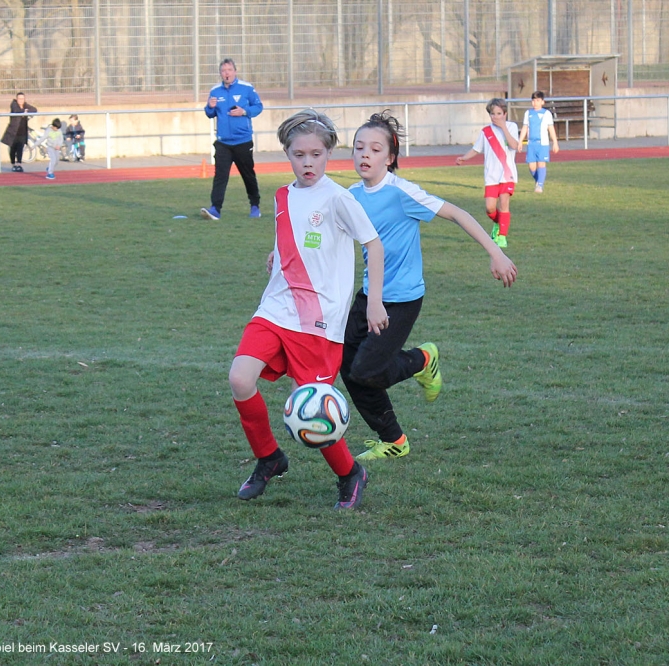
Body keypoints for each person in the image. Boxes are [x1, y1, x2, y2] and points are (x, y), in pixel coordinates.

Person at [229, 110, 387, 510]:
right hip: (276, 307)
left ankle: (350, 473)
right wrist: (277, 254)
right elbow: (297, 237)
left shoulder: (338, 198)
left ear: (328, 153)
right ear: (287, 153)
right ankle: (269, 458)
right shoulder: (283, 196)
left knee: (312, 407)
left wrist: (374, 301)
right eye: (299, 155)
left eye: (316, 154)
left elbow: (373, 245)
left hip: (319, 321)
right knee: (240, 379)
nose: (308, 163)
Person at [344, 111, 518, 461]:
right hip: (369, 295)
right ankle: (393, 440)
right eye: (359, 147)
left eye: (375, 149)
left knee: (366, 370)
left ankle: (422, 359)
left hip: (402, 299)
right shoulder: (350, 195)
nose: (365, 154)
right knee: (348, 369)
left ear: (390, 157)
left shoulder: (402, 192)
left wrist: (496, 253)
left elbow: (457, 213)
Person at [201, 58, 264, 221]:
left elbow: (258, 107)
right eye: (223, 71)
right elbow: (210, 114)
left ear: (235, 71)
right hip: (223, 142)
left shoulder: (246, 88)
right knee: (220, 176)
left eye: (229, 70)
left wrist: (244, 111)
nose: (226, 73)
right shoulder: (215, 91)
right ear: (220, 73)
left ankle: (255, 206)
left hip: (242, 141)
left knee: (248, 175)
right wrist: (210, 107)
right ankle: (215, 209)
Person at [456, 98, 520, 248]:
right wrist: (464, 158)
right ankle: (498, 223)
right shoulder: (486, 132)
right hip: (491, 176)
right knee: (490, 208)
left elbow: (514, 145)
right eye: (493, 114)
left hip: (507, 175)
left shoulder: (511, 127)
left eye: (499, 113)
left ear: (505, 114)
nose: (496, 117)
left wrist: (503, 128)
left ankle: (502, 237)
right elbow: (476, 149)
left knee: (504, 203)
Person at [517, 90, 559, 194]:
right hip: (531, 143)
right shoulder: (528, 113)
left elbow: (551, 128)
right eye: (533, 100)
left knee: (541, 163)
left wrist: (555, 142)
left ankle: (540, 185)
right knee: (531, 166)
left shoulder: (547, 114)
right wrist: (520, 141)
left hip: (543, 143)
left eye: (538, 100)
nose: (535, 103)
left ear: (542, 102)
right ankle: (539, 180)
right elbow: (525, 127)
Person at [0, 92, 37, 173]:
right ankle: (13, 164)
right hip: (14, 132)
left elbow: (34, 109)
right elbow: (16, 111)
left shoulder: (25, 105)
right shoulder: (14, 104)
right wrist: (24, 111)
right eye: (19, 99)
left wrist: (26, 111)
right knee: (13, 149)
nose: (21, 100)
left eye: (22, 99)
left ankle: (19, 164)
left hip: (22, 132)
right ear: (16, 99)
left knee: (20, 148)